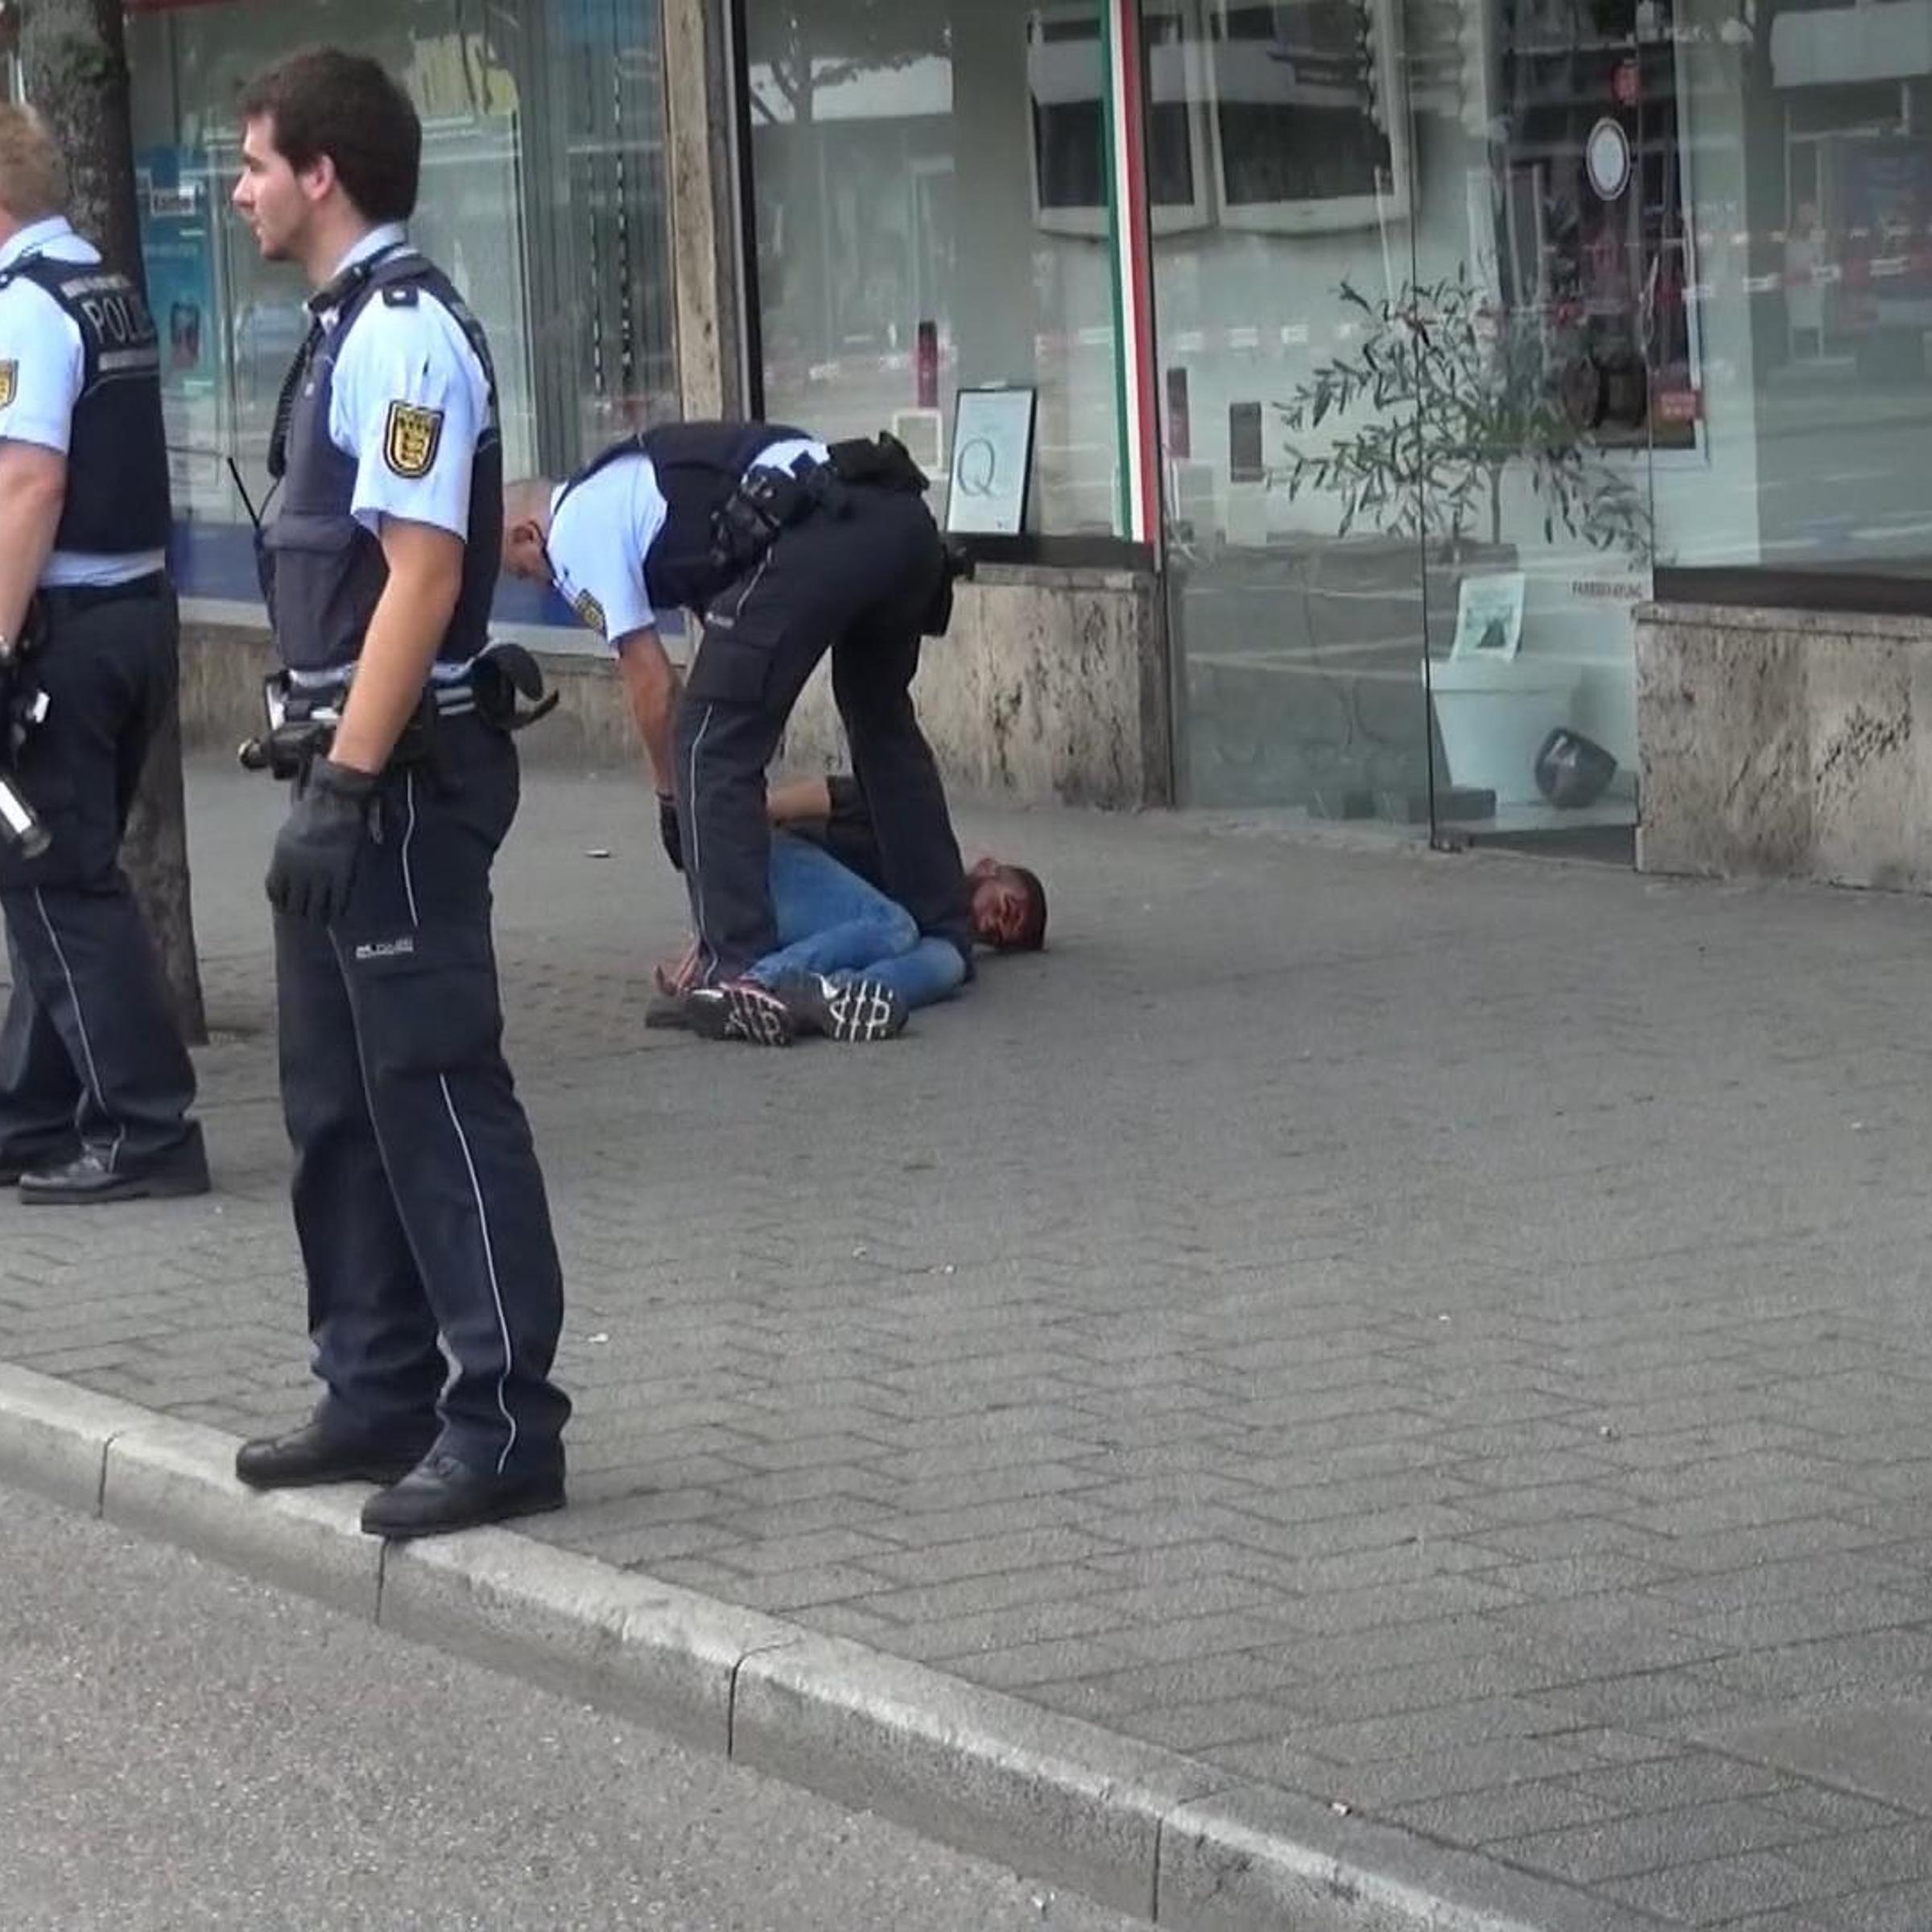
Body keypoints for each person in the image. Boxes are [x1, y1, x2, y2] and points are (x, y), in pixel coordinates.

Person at [226, 47, 568, 1541]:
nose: (236, 190)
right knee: (337, 1105)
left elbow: (428, 576)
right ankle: (373, 1388)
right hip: (341, 774)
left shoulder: (405, 337)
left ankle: (502, 1423)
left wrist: (353, 785)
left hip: (400, 782)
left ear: (323, 172)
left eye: (253, 163)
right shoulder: (341, 330)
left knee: (431, 1087)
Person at [502, 420, 973, 1045]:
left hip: (821, 535)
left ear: (527, 535)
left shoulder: (575, 530)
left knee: (705, 743)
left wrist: (671, 799)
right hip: (899, 521)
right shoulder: (655, 485)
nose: (543, 583)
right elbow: (738, 644)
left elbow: (654, 686)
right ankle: (942, 920)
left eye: (526, 572)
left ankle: (736, 970)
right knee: (879, 717)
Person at [0, 105, 208, 1206]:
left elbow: (29, 481)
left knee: (52, 879)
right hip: (133, 617)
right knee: (56, 870)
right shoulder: (102, 285)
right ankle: (31, 1113)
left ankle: (146, 1128)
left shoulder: (25, 308)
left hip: (63, 639)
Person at [655, 774, 1047, 1046]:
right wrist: (720, 916)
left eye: (998, 937)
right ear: (989, 868)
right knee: (895, 925)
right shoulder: (920, 834)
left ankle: (823, 999)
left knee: (950, 964)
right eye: (1006, 908)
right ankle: (757, 983)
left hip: (799, 935)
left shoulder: (951, 934)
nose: (995, 924)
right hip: (772, 868)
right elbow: (774, 809)